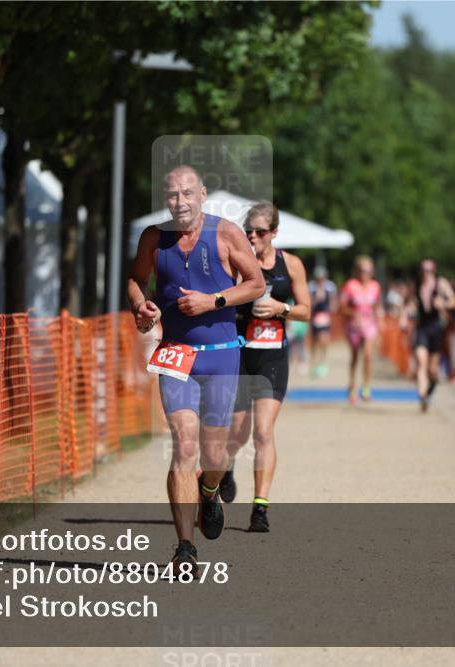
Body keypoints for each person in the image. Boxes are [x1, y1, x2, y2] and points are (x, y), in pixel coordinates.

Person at [128, 165, 265, 573]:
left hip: (221, 354)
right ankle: (185, 547)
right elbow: (136, 280)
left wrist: (214, 301)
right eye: (172, 195)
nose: (180, 202)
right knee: (184, 444)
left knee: (214, 453)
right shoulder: (153, 238)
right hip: (176, 355)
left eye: (188, 193)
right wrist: (141, 306)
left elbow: (255, 283)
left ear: (202, 194)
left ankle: (209, 490)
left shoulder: (225, 233)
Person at [219, 202, 310, 532]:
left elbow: (306, 310)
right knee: (237, 431)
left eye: (259, 232)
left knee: (263, 431)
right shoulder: (235, 262)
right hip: (242, 354)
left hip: (272, 356)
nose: (253, 237)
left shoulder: (292, 264)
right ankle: (227, 467)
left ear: (274, 233)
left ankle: (260, 508)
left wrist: (281, 307)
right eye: (248, 231)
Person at [413, 259, 455, 412]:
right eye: (424, 270)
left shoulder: (441, 284)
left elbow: (454, 301)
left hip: (435, 329)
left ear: (434, 271)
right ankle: (422, 394)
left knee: (432, 370)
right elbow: (412, 303)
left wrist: (443, 304)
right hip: (421, 328)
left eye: (429, 270)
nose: (426, 273)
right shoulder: (417, 285)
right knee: (421, 361)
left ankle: (429, 390)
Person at [340, 255, 382, 403]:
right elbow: (342, 306)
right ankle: (352, 387)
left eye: (369, 271)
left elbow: (376, 305)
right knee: (355, 357)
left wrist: (379, 321)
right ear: (358, 271)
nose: (366, 274)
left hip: (369, 324)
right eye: (363, 270)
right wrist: (353, 313)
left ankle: (366, 387)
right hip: (354, 326)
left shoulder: (375, 286)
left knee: (369, 356)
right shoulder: (351, 285)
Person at [308, 266, 337, 378]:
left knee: (324, 340)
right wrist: (316, 300)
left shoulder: (330, 287)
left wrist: (332, 306)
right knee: (315, 341)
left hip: (325, 316)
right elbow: (310, 303)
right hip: (315, 317)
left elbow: (334, 302)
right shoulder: (311, 287)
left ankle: (323, 362)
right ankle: (314, 363)